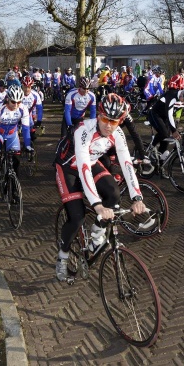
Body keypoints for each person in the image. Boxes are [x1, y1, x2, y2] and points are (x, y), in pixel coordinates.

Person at [54, 93, 146, 282]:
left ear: (120, 121)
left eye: (114, 121)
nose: (108, 125)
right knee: (77, 217)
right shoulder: (83, 130)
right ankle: (62, 258)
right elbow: (83, 167)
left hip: (91, 161)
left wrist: (137, 196)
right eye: (105, 119)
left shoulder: (117, 133)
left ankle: (97, 233)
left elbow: (126, 163)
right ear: (98, 115)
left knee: (113, 193)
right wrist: (97, 205)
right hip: (68, 166)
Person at [0, 84, 33, 182]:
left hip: (12, 135)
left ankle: (14, 188)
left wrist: (27, 145)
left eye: (19, 102)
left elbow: (26, 128)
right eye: (13, 102)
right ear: (8, 99)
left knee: (16, 162)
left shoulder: (23, 109)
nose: (16, 105)